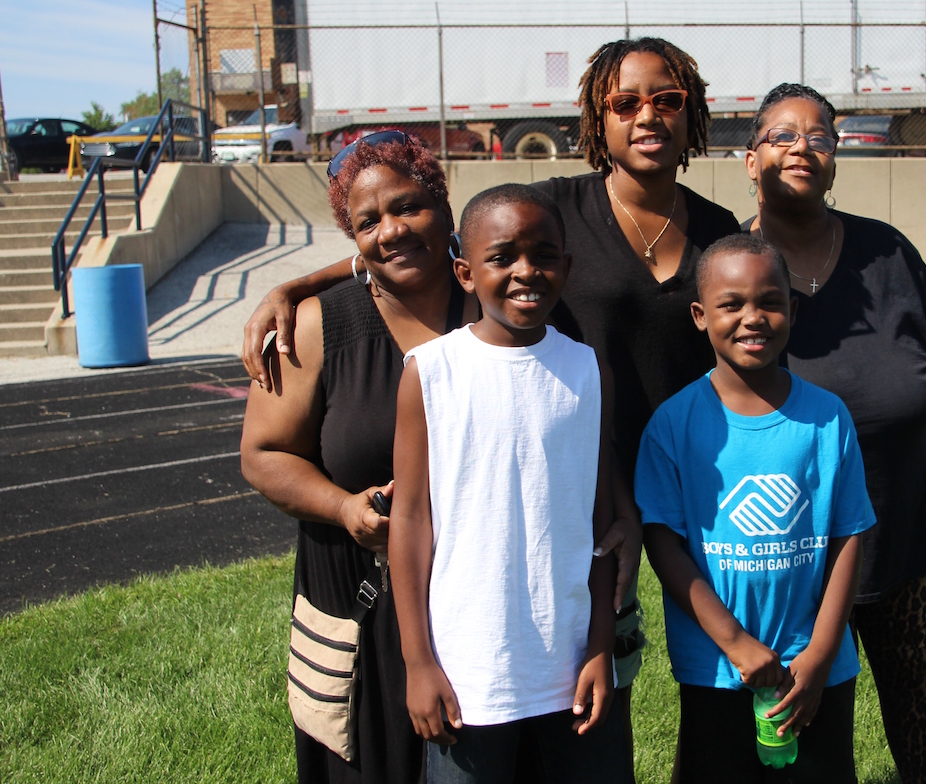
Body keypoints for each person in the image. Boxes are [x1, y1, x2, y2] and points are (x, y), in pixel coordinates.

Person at [238, 37, 743, 759]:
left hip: (616, 521)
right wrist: (302, 283)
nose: (647, 115)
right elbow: (435, 238)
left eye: (666, 99)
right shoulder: (554, 208)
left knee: (600, 725)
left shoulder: (715, 233)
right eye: (624, 101)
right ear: (596, 120)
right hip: (462, 551)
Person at [744, 83, 926, 784]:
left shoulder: (888, 253)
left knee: (920, 716)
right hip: (792, 550)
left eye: (819, 137)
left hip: (900, 527)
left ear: (836, 158)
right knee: (800, 722)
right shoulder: (738, 267)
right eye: (783, 136)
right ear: (750, 156)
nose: (802, 149)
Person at [240, 130, 468, 784]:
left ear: (444, 206)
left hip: (473, 600)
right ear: (352, 238)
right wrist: (344, 507)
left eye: (407, 207)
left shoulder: (491, 303)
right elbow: (263, 454)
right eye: (367, 222)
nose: (391, 230)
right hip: (358, 604)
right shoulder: (314, 326)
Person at [389, 184, 632, 784]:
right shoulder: (430, 373)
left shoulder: (585, 368)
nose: (527, 271)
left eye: (544, 254)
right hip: (470, 671)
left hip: (572, 663)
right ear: (465, 273)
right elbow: (410, 522)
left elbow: (602, 526)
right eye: (502, 257)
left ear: (566, 267)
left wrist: (601, 644)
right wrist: (418, 662)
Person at [637, 234, 876, 784]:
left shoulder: (827, 417)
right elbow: (663, 543)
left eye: (769, 302)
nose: (753, 318)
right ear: (700, 315)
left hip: (814, 667)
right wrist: (737, 644)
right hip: (719, 668)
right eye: (731, 304)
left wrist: (820, 653)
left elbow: (848, 535)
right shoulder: (673, 425)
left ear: (792, 310)